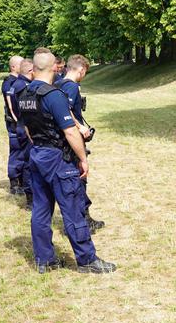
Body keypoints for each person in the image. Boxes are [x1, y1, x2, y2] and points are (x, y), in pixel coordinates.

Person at [18, 52, 115, 273]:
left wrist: (40, 147)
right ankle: (87, 260)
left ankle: (45, 260)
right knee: (72, 209)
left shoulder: (23, 94)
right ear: (54, 68)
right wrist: (82, 158)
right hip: (58, 159)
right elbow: (70, 132)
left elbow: (26, 128)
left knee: (41, 211)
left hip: (37, 155)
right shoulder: (54, 95)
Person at [54, 54, 105, 232]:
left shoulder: (57, 83)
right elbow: (65, 108)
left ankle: (84, 217)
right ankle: (83, 220)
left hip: (59, 140)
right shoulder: (71, 87)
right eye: (85, 72)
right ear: (81, 69)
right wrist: (80, 127)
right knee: (80, 177)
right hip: (71, 138)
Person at [6, 58, 34, 207]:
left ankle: (28, 191)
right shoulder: (23, 86)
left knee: (25, 161)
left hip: (21, 126)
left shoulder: (16, 84)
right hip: (25, 128)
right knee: (28, 163)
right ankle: (30, 198)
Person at [2, 55, 23, 194]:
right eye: (21, 64)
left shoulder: (18, 81)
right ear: (14, 67)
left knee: (22, 151)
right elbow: (10, 107)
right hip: (14, 123)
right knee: (16, 152)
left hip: (20, 122)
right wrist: (16, 121)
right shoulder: (9, 83)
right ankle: (14, 183)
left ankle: (22, 180)